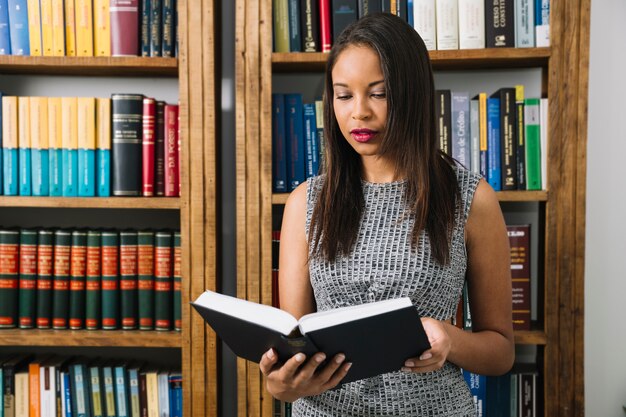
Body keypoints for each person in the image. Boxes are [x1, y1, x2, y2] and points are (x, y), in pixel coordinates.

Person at [259, 12, 515, 416]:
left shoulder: (470, 199)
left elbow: (501, 352)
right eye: (343, 95)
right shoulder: (305, 202)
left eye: (378, 93)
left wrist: (449, 338)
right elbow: (295, 347)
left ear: (411, 94)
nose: (359, 112)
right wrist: (281, 384)